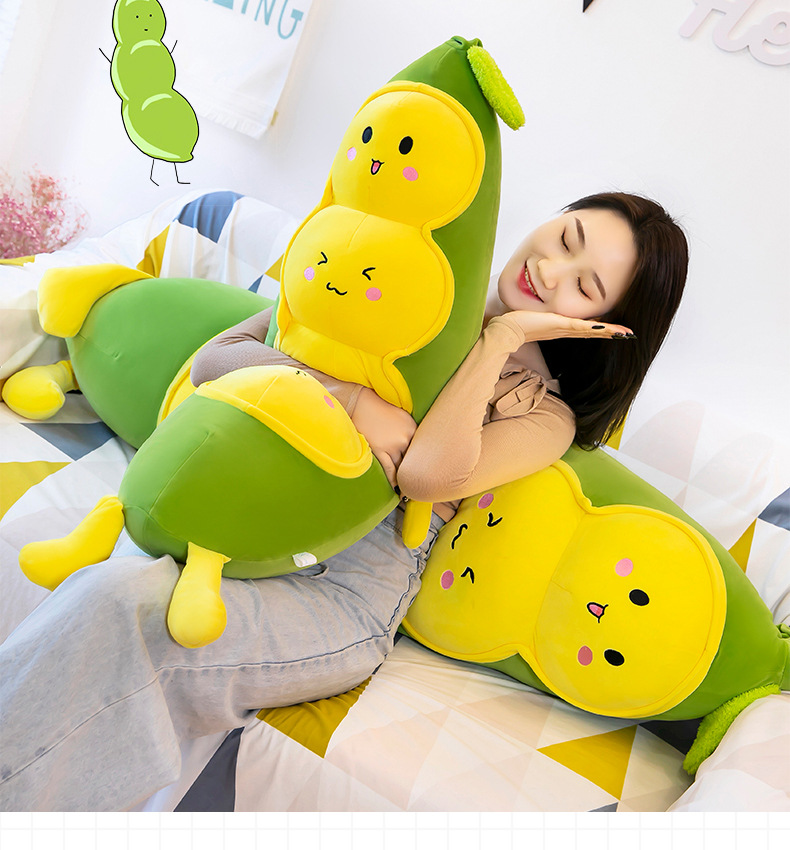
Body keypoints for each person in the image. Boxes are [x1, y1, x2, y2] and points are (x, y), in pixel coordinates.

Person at [0, 192, 688, 811]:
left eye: (585, 287)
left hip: (345, 588)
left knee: (125, 605)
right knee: (109, 591)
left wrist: (501, 339)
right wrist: (353, 400)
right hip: (250, 514)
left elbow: (426, 476)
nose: (551, 271)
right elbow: (217, 359)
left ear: (608, 326)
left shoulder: (544, 416)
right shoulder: (412, 288)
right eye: (565, 239)